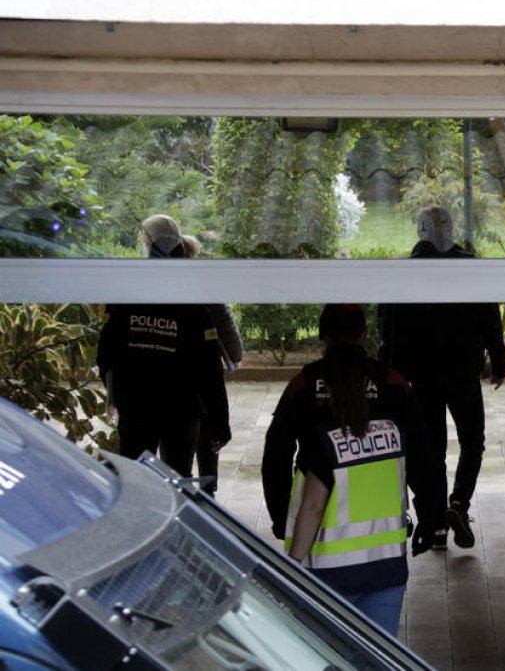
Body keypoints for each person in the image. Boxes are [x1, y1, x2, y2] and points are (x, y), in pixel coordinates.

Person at [261, 304, 436, 632]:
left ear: (322, 334)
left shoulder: (303, 385)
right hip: (386, 561)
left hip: (325, 560)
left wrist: (280, 516)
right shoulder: (394, 383)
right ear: (365, 334)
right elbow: (422, 454)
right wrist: (431, 513)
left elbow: (276, 456)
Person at [377, 206, 505, 550]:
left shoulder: (402, 272)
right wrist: (499, 361)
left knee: (431, 450)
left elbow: (386, 327)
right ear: (452, 228)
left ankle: (435, 524)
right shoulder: (470, 267)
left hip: (419, 378)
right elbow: (489, 316)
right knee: (472, 442)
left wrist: (387, 372)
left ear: (419, 230)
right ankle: (459, 504)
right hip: (462, 372)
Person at [97, 215, 231, 476]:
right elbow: (209, 370)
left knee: (137, 478)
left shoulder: (129, 295)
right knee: (177, 478)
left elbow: (106, 353)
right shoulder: (193, 301)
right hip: (179, 409)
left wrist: (120, 395)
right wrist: (219, 423)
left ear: (148, 243)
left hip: (138, 407)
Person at [181, 234, 243, 496]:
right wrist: (235, 355)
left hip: (173, 384)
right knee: (209, 442)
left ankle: (184, 496)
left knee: (178, 457)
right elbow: (227, 329)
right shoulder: (205, 287)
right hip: (204, 379)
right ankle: (209, 496)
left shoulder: (157, 285)